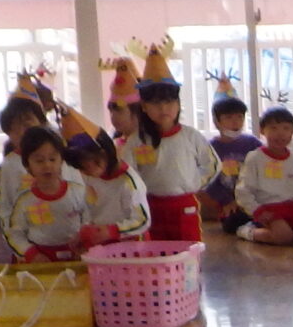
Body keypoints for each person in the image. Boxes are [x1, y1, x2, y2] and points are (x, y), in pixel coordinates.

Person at [130, 42, 216, 242]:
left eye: (169, 102)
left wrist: (195, 182)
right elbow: (129, 173)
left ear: (178, 104)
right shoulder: (137, 141)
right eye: (155, 103)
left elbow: (212, 164)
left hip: (184, 205)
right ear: (144, 106)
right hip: (150, 205)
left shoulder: (191, 136)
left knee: (188, 249)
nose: (163, 109)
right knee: (155, 250)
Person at [233, 106, 293, 247]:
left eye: (286, 128)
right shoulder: (255, 157)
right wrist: (257, 211)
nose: (280, 134)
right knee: (283, 237)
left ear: (292, 132)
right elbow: (243, 190)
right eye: (273, 128)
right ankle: (247, 230)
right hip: (268, 210)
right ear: (263, 130)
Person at [62, 105, 147, 249]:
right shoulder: (90, 177)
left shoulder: (128, 182)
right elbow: (93, 211)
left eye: (92, 164)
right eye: (82, 168)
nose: (88, 172)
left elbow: (142, 220)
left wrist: (113, 231)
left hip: (130, 246)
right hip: (102, 245)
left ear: (105, 153)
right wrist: (83, 232)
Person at [0, 94, 49, 264]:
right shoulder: (10, 166)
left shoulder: (56, 158)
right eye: (13, 128)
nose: (22, 132)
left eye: (27, 124)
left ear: (42, 124)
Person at [5, 127, 87, 263]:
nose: (47, 165)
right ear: (27, 166)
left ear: (61, 161)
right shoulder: (24, 201)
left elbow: (90, 221)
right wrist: (31, 253)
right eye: (39, 161)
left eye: (52, 159)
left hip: (76, 257)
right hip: (40, 261)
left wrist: (85, 244)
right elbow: (15, 234)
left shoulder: (78, 192)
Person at [202, 74, 258, 234]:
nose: (235, 122)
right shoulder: (210, 148)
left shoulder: (253, 143)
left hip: (254, 198)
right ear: (217, 121)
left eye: (240, 117)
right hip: (228, 203)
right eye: (228, 117)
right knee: (232, 223)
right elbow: (209, 180)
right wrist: (226, 201)